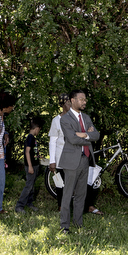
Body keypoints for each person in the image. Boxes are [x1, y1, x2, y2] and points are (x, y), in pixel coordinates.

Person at [49, 93, 103, 214]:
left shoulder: (80, 119)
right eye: (68, 103)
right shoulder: (57, 121)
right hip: (62, 156)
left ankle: (87, 206)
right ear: (63, 105)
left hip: (80, 155)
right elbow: (53, 141)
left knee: (85, 183)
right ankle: (62, 207)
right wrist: (52, 160)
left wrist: (86, 135)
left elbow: (88, 135)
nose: (70, 105)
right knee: (62, 184)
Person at [58, 90, 100, 234]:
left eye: (85, 99)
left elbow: (96, 135)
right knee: (68, 194)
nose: (84, 102)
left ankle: (78, 223)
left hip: (85, 160)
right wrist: (88, 135)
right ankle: (65, 226)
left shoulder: (87, 117)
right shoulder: (65, 119)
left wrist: (85, 134)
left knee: (82, 194)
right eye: (81, 99)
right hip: (71, 162)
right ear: (72, 100)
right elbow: (72, 139)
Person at [15, 116, 45, 213]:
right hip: (31, 166)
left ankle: (29, 203)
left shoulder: (32, 138)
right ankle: (19, 206)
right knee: (28, 186)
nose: (38, 132)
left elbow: (32, 152)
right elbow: (27, 152)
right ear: (36, 128)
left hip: (35, 164)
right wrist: (30, 166)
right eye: (39, 130)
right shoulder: (30, 138)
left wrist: (38, 156)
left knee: (32, 185)